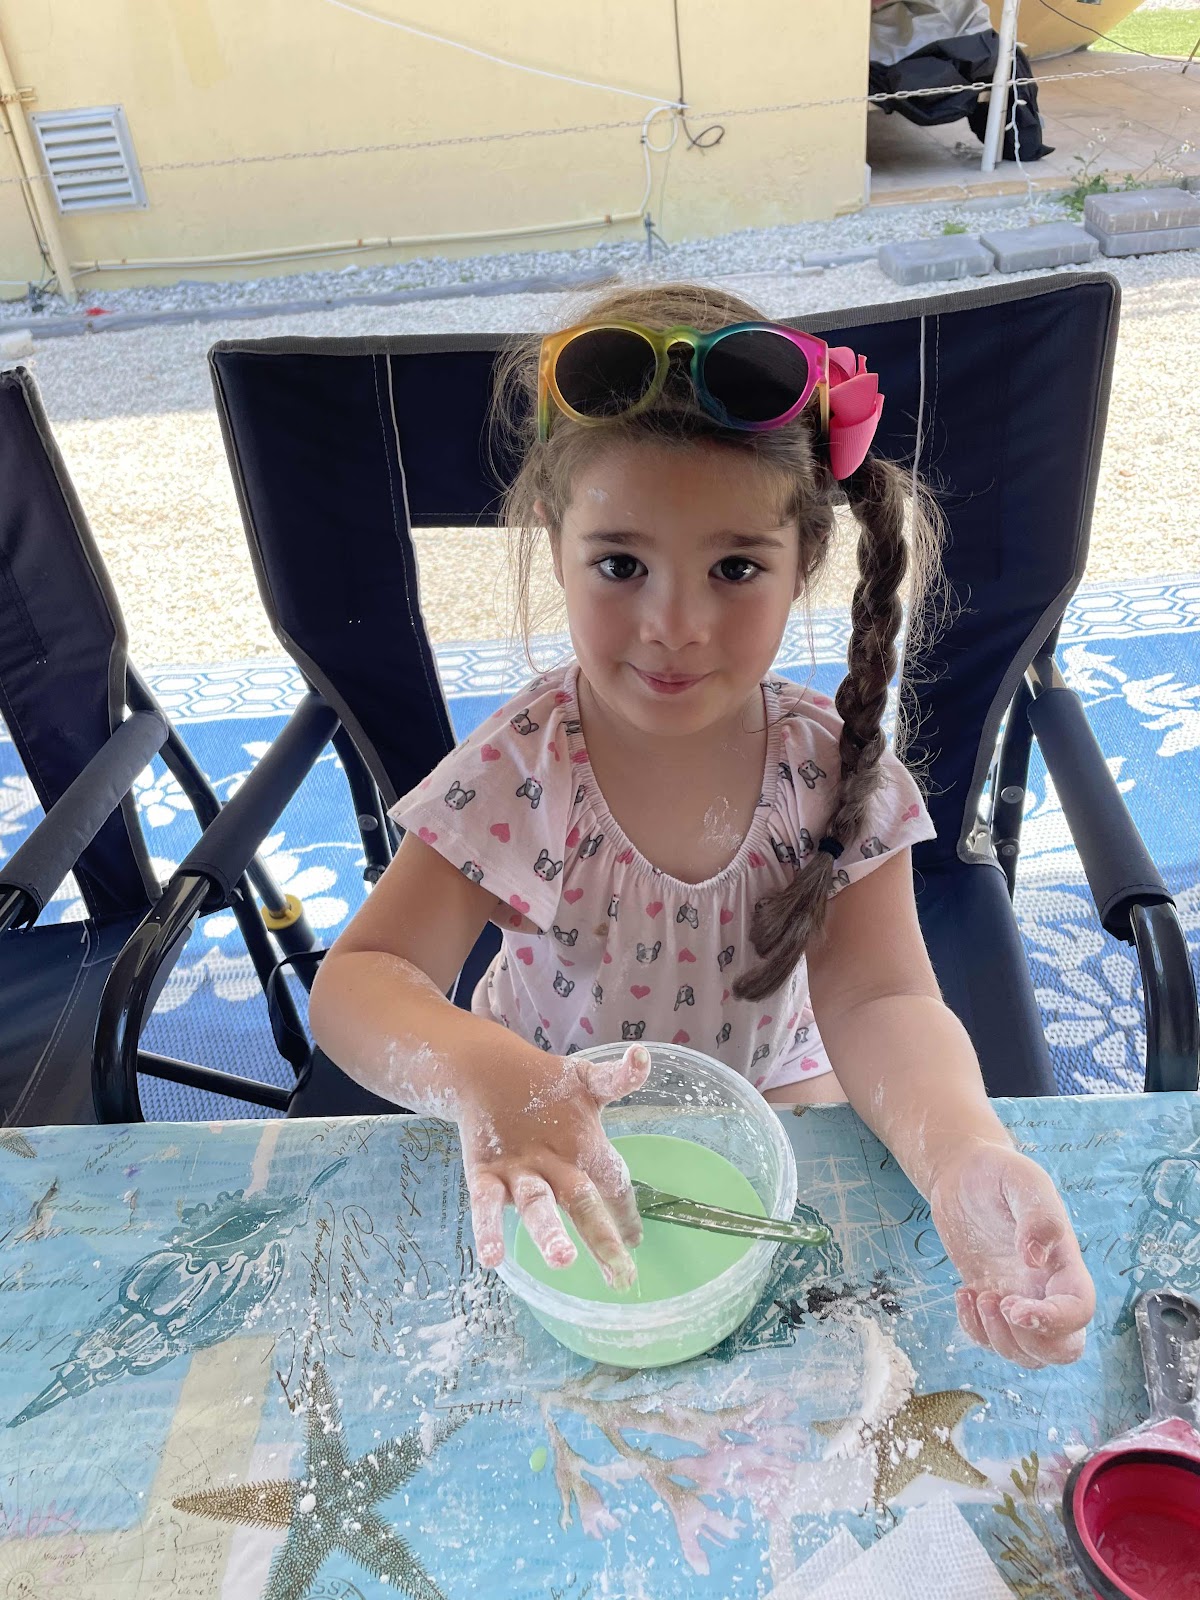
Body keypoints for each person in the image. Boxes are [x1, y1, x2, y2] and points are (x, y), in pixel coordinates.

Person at [309, 281, 1094, 1369]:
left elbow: (881, 1000)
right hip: (548, 1119)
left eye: (734, 568)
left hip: (778, 1101)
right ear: (556, 540)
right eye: (620, 564)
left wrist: (963, 1152)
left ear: (803, 563)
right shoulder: (526, 770)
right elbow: (361, 983)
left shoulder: (831, 771)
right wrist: (487, 1072)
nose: (674, 625)